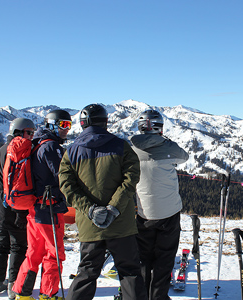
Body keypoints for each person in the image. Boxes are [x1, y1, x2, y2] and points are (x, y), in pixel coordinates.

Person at [59, 103, 146, 300]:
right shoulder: (121, 146)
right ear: (105, 122)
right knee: (130, 272)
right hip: (121, 224)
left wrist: (90, 210)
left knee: (87, 272)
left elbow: (67, 187)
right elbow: (131, 178)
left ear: (82, 124)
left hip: (90, 225)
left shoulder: (71, 152)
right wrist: (114, 208)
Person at [12, 110, 71, 300]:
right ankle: (49, 294)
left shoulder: (37, 143)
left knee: (34, 252)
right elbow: (62, 177)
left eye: (69, 125)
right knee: (55, 254)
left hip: (35, 208)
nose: (67, 130)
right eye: (63, 125)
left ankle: (22, 292)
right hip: (50, 209)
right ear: (52, 125)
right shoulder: (51, 147)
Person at [130, 109, 188, 300]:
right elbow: (184, 157)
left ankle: (143, 295)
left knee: (144, 258)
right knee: (164, 258)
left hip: (143, 213)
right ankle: (159, 296)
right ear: (160, 128)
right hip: (169, 213)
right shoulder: (169, 148)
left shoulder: (131, 148)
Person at [0, 118, 34, 299]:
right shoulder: (18, 151)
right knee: (18, 246)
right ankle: (14, 287)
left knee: (0, 245)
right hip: (15, 206)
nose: (31, 137)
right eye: (29, 132)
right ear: (18, 132)